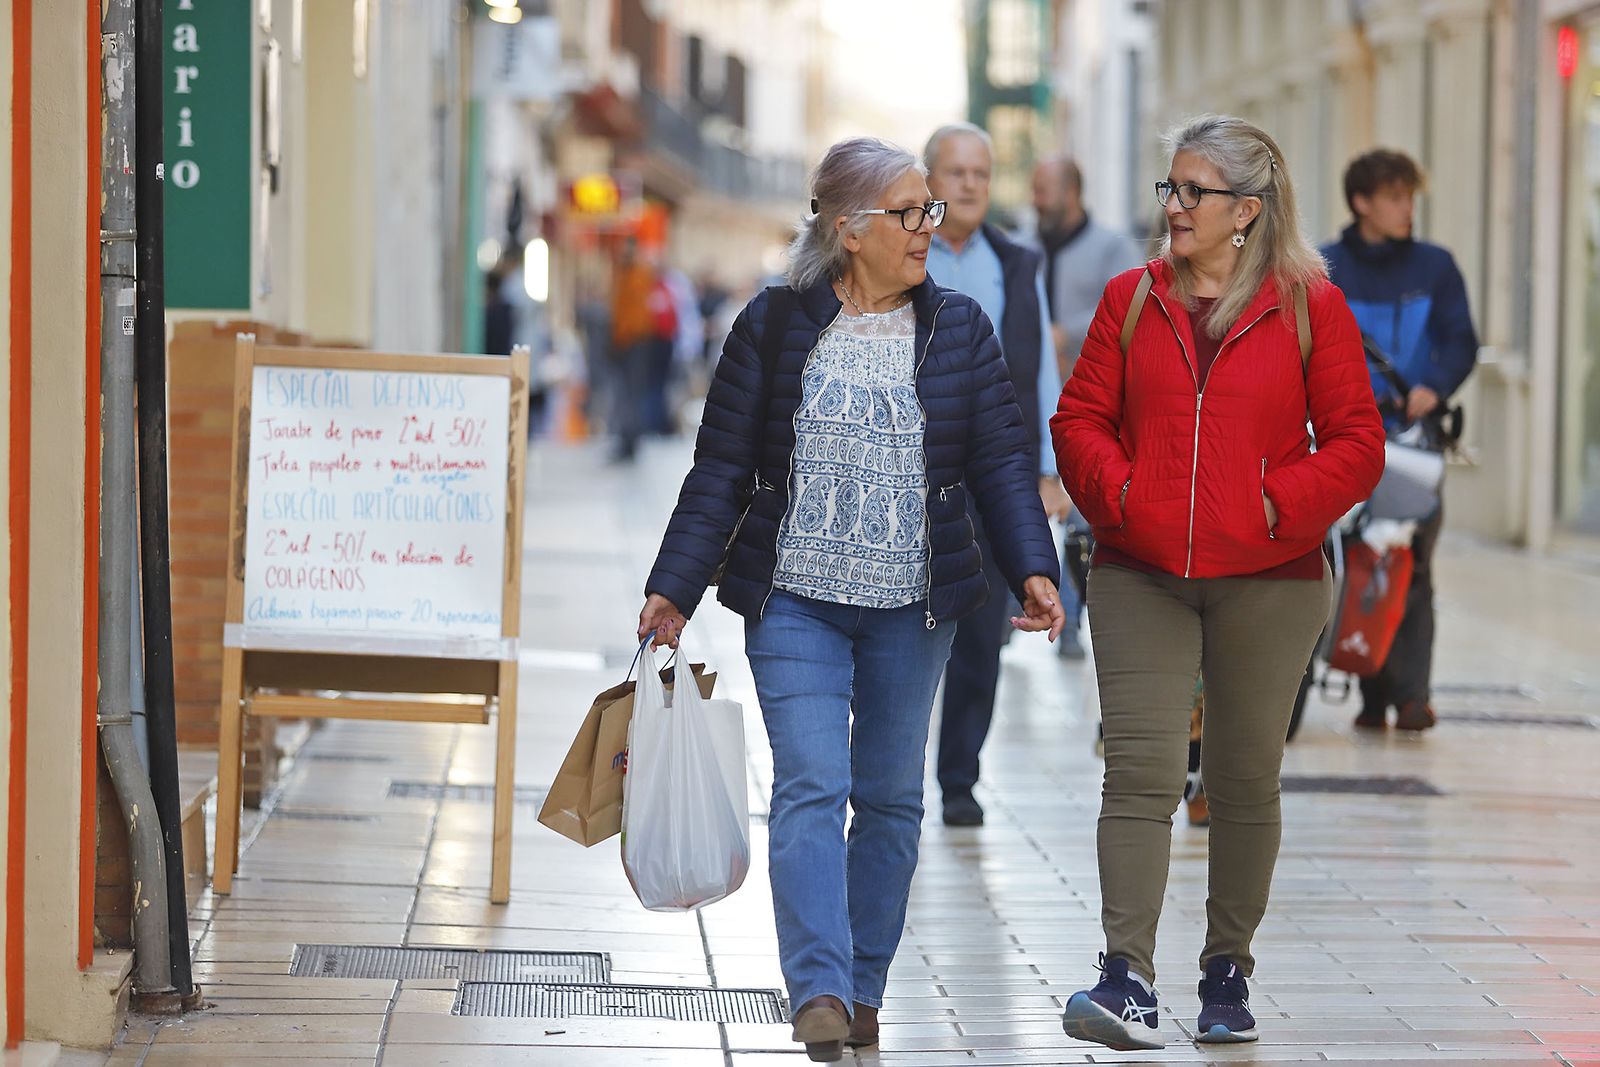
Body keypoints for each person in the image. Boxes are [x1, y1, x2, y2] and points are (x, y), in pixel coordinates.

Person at [638, 136, 1065, 1062]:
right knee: (810, 784)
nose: (929, 230)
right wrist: (675, 586)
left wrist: (1033, 564)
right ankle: (820, 987)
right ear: (849, 230)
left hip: (916, 605)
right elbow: (721, 468)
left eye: (930, 211)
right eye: (910, 213)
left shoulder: (959, 328)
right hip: (795, 599)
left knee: (886, 798)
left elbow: (998, 459)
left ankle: (866, 982)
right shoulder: (775, 324)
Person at [1052, 114, 1385, 1051]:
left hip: (1272, 579)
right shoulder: (1130, 299)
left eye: (1192, 191)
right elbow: (1078, 418)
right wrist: (1121, 494)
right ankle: (1126, 978)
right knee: (1141, 772)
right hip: (1139, 569)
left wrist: (1279, 506)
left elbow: (1359, 441)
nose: (1174, 207)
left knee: (1243, 779)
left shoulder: (1310, 304)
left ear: (1246, 210)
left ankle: (1225, 970)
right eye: (1170, 187)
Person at [921, 122, 1066, 829]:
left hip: (987, 477)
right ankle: (887, 772)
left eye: (981, 172)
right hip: (905, 474)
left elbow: (1036, 369)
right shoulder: (901, 248)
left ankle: (958, 780)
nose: (971, 184)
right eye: (956, 171)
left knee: (980, 639)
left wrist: (1045, 474)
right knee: (899, 632)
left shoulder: (1016, 263)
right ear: (929, 181)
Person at [1321, 148, 1478, 732]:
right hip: (1341, 442)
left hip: (1413, 444)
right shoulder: (1324, 268)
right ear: (1362, 202)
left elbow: (1461, 339)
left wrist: (1433, 386)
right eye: (1394, 196)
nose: (1406, 207)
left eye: (1410, 196)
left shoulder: (1435, 268)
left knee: (1412, 562)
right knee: (1348, 561)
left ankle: (1411, 695)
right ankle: (1368, 687)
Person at [1028, 157, 1148, 658]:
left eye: (1044, 189)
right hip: (1035, 396)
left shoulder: (1112, 246)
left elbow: (1130, 302)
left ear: (1072, 190)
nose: (1036, 200)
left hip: (1096, 394)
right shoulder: (1024, 246)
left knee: (1085, 510)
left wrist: (1064, 333)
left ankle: (1076, 619)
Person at [608, 238, 661, 461]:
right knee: (626, 393)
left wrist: (626, 335)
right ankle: (625, 438)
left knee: (632, 393)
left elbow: (636, 312)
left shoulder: (639, 274)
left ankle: (631, 440)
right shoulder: (622, 273)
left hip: (636, 341)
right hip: (624, 341)